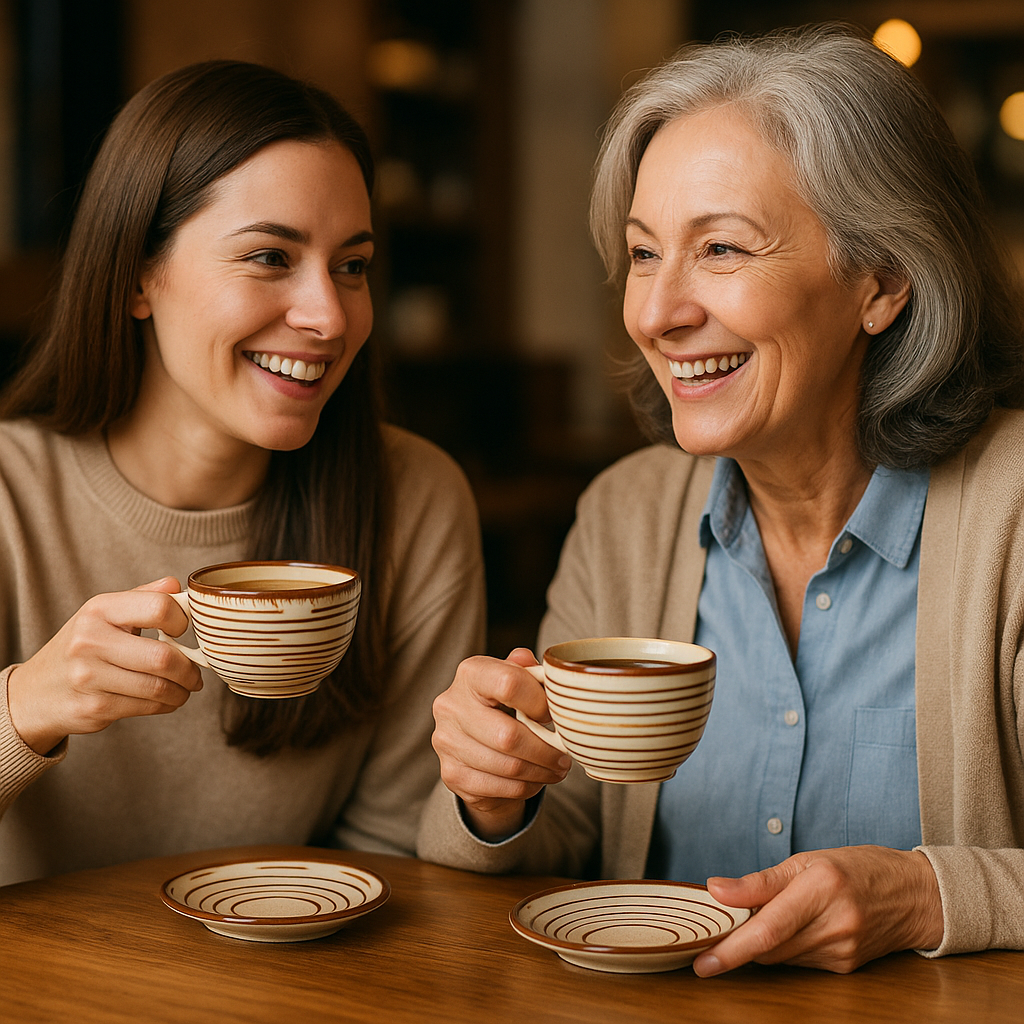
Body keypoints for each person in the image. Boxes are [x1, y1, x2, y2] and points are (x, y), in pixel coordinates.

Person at [419, 23, 1024, 974]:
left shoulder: (1015, 517)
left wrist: (924, 896)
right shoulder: (627, 515)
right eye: (645, 254)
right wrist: (497, 793)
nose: (658, 313)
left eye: (723, 250)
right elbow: (568, 829)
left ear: (883, 280)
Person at [0, 60, 486, 886]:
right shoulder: (13, 497)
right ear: (136, 276)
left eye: (353, 265)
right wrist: (21, 711)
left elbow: (395, 855)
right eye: (269, 256)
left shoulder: (414, 500)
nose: (328, 316)